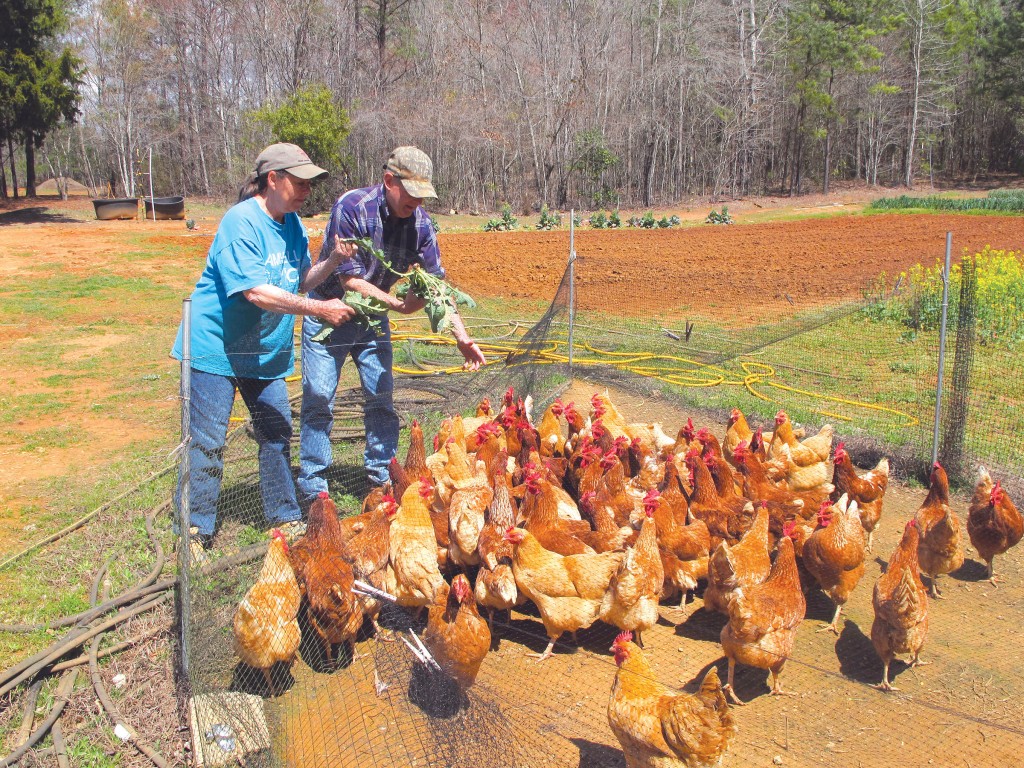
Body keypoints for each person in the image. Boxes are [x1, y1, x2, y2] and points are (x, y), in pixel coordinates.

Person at [172, 143, 358, 558]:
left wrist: (330, 263)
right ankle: (194, 530)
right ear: (272, 179)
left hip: (263, 352)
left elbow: (298, 281)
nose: (307, 190)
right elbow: (255, 291)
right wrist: (318, 309)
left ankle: (283, 514)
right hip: (215, 347)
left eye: (311, 183)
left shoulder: (290, 224)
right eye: (299, 181)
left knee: (276, 433)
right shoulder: (240, 223)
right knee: (207, 441)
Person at [298, 146, 486, 499]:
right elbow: (349, 280)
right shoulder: (352, 207)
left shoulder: (421, 225)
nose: (416, 203)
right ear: (389, 181)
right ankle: (314, 489)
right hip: (328, 310)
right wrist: (397, 305)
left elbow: (438, 287)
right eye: (411, 194)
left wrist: (461, 336)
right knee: (320, 398)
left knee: (381, 397)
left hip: (372, 319)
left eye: (422, 195)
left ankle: (382, 475)